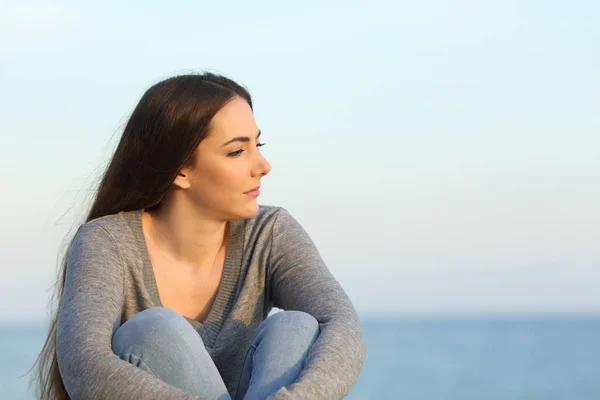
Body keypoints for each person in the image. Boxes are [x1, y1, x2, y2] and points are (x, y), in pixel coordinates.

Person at [30, 72, 366, 399]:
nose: (263, 165)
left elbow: (343, 326)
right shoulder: (106, 242)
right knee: (156, 331)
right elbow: (84, 365)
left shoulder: (270, 232)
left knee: (297, 328)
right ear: (180, 170)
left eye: (258, 144)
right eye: (237, 151)